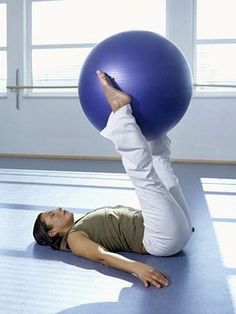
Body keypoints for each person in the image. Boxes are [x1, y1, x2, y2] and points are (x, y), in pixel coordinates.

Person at [33, 70, 194, 289]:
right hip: (161, 239)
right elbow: (102, 256)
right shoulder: (73, 239)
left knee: (163, 168)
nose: (57, 209)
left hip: (176, 229)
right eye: (52, 215)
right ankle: (120, 112)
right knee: (144, 176)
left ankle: (155, 127)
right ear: (52, 232)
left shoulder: (81, 224)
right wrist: (138, 268)